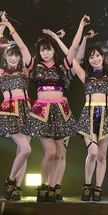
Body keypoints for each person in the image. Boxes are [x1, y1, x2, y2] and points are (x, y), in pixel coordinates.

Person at [68, 15, 108, 201]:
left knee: (101, 156)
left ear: (102, 57)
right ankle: (87, 184)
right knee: (92, 153)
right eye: (91, 57)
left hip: (106, 115)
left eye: (98, 56)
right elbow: (72, 57)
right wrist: (83, 33)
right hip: (89, 114)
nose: (95, 59)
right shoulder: (84, 75)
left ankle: (98, 187)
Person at [0, 14, 34, 201]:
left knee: (22, 152)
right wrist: (1, 29)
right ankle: (10, 180)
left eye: (16, 55)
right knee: (26, 149)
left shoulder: (25, 70)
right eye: (10, 55)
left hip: (26, 111)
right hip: (10, 112)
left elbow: (23, 47)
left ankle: (16, 188)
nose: (14, 58)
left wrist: (10, 27)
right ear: (5, 56)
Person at [29, 27, 79, 203]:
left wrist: (79, 27)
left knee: (59, 153)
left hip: (60, 113)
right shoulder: (35, 67)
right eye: (43, 50)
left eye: (48, 50)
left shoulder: (62, 67)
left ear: (54, 51)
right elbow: (23, 49)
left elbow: (73, 48)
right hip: (42, 112)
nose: (46, 53)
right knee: (50, 152)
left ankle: (52, 187)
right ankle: (43, 186)